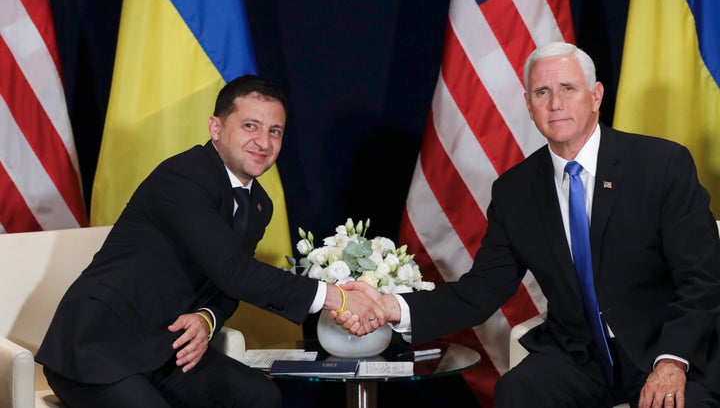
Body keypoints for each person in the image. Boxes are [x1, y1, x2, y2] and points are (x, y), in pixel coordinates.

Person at [337, 42, 720, 407]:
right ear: (528, 105)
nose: (555, 104)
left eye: (568, 88)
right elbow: (481, 291)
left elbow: (702, 277)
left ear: (596, 95)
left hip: (663, 347)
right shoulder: (515, 190)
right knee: (517, 391)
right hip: (578, 356)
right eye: (541, 92)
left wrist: (673, 360)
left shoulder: (660, 164)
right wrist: (392, 308)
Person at [36, 75, 384, 408]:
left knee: (260, 397)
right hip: (97, 346)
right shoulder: (183, 177)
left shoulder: (259, 203)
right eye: (250, 126)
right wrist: (334, 298)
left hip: (166, 348)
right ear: (216, 128)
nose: (264, 142)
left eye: (274, 131)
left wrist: (206, 318)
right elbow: (234, 271)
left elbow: (225, 285)